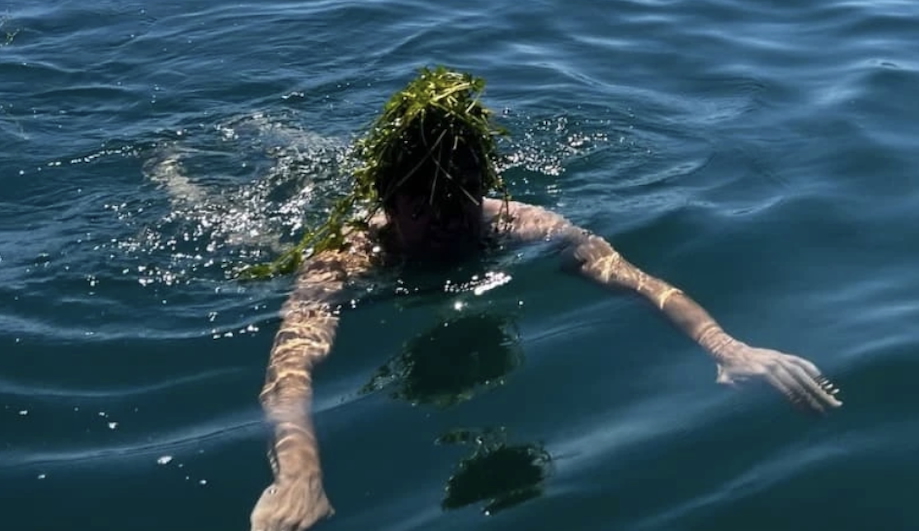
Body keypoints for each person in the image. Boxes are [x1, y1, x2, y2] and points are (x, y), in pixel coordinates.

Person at [249, 67, 840, 531]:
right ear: (390, 203)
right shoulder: (351, 255)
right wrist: (299, 471)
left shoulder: (520, 226)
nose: (444, 226)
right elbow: (292, 358)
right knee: (253, 241)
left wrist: (727, 347)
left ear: (483, 192)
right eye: (421, 208)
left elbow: (637, 280)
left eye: (459, 205)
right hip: (313, 242)